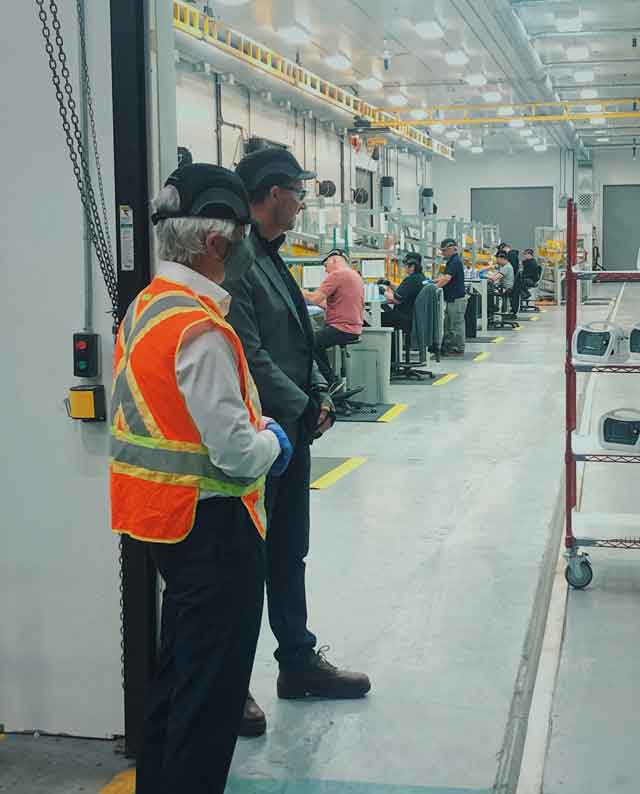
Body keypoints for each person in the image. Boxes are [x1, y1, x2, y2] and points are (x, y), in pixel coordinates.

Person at [109, 164, 293, 794]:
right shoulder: (202, 330)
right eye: (239, 239)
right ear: (217, 243)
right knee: (211, 701)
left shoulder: (147, 308)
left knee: (178, 683)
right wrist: (272, 439)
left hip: (166, 526)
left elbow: (174, 418)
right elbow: (238, 453)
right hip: (215, 532)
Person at [224, 147, 371, 738]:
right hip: (261, 437)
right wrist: (302, 406)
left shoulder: (273, 258)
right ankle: (229, 687)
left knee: (289, 552)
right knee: (248, 564)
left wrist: (321, 393)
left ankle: (297, 662)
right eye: (297, 189)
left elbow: (299, 338)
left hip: (293, 431)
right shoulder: (237, 260)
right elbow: (248, 352)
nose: (303, 199)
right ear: (271, 192)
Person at [302, 249, 365, 391]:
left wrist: (298, 290)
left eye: (325, 266)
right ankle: (332, 380)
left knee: (309, 343)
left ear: (334, 260)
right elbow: (331, 303)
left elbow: (315, 298)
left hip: (342, 328)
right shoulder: (354, 275)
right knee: (317, 341)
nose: (326, 270)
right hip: (353, 328)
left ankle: (330, 382)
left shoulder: (337, 275)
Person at [435, 238, 467, 356]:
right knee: (449, 324)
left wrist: (434, 288)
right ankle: (449, 346)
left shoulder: (455, 261)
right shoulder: (451, 261)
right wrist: (434, 281)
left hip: (456, 299)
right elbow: (446, 277)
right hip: (451, 298)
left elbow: (447, 278)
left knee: (456, 325)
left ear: (452, 249)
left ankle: (458, 348)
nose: (443, 253)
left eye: (444, 251)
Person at [381, 252, 426, 332]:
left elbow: (397, 300)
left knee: (376, 317)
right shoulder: (421, 278)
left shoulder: (411, 280)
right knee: (385, 308)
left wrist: (383, 291)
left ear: (412, 266)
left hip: (404, 318)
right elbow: (403, 292)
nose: (404, 267)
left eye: (405, 265)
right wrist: (389, 284)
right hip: (412, 316)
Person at [487, 251, 515, 316]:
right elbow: (496, 275)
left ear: (502, 258)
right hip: (504, 287)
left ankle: (491, 310)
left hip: (505, 288)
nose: (497, 261)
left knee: (488, 292)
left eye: (497, 259)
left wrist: (484, 276)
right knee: (489, 290)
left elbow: (494, 278)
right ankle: (492, 309)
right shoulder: (506, 266)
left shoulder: (506, 267)